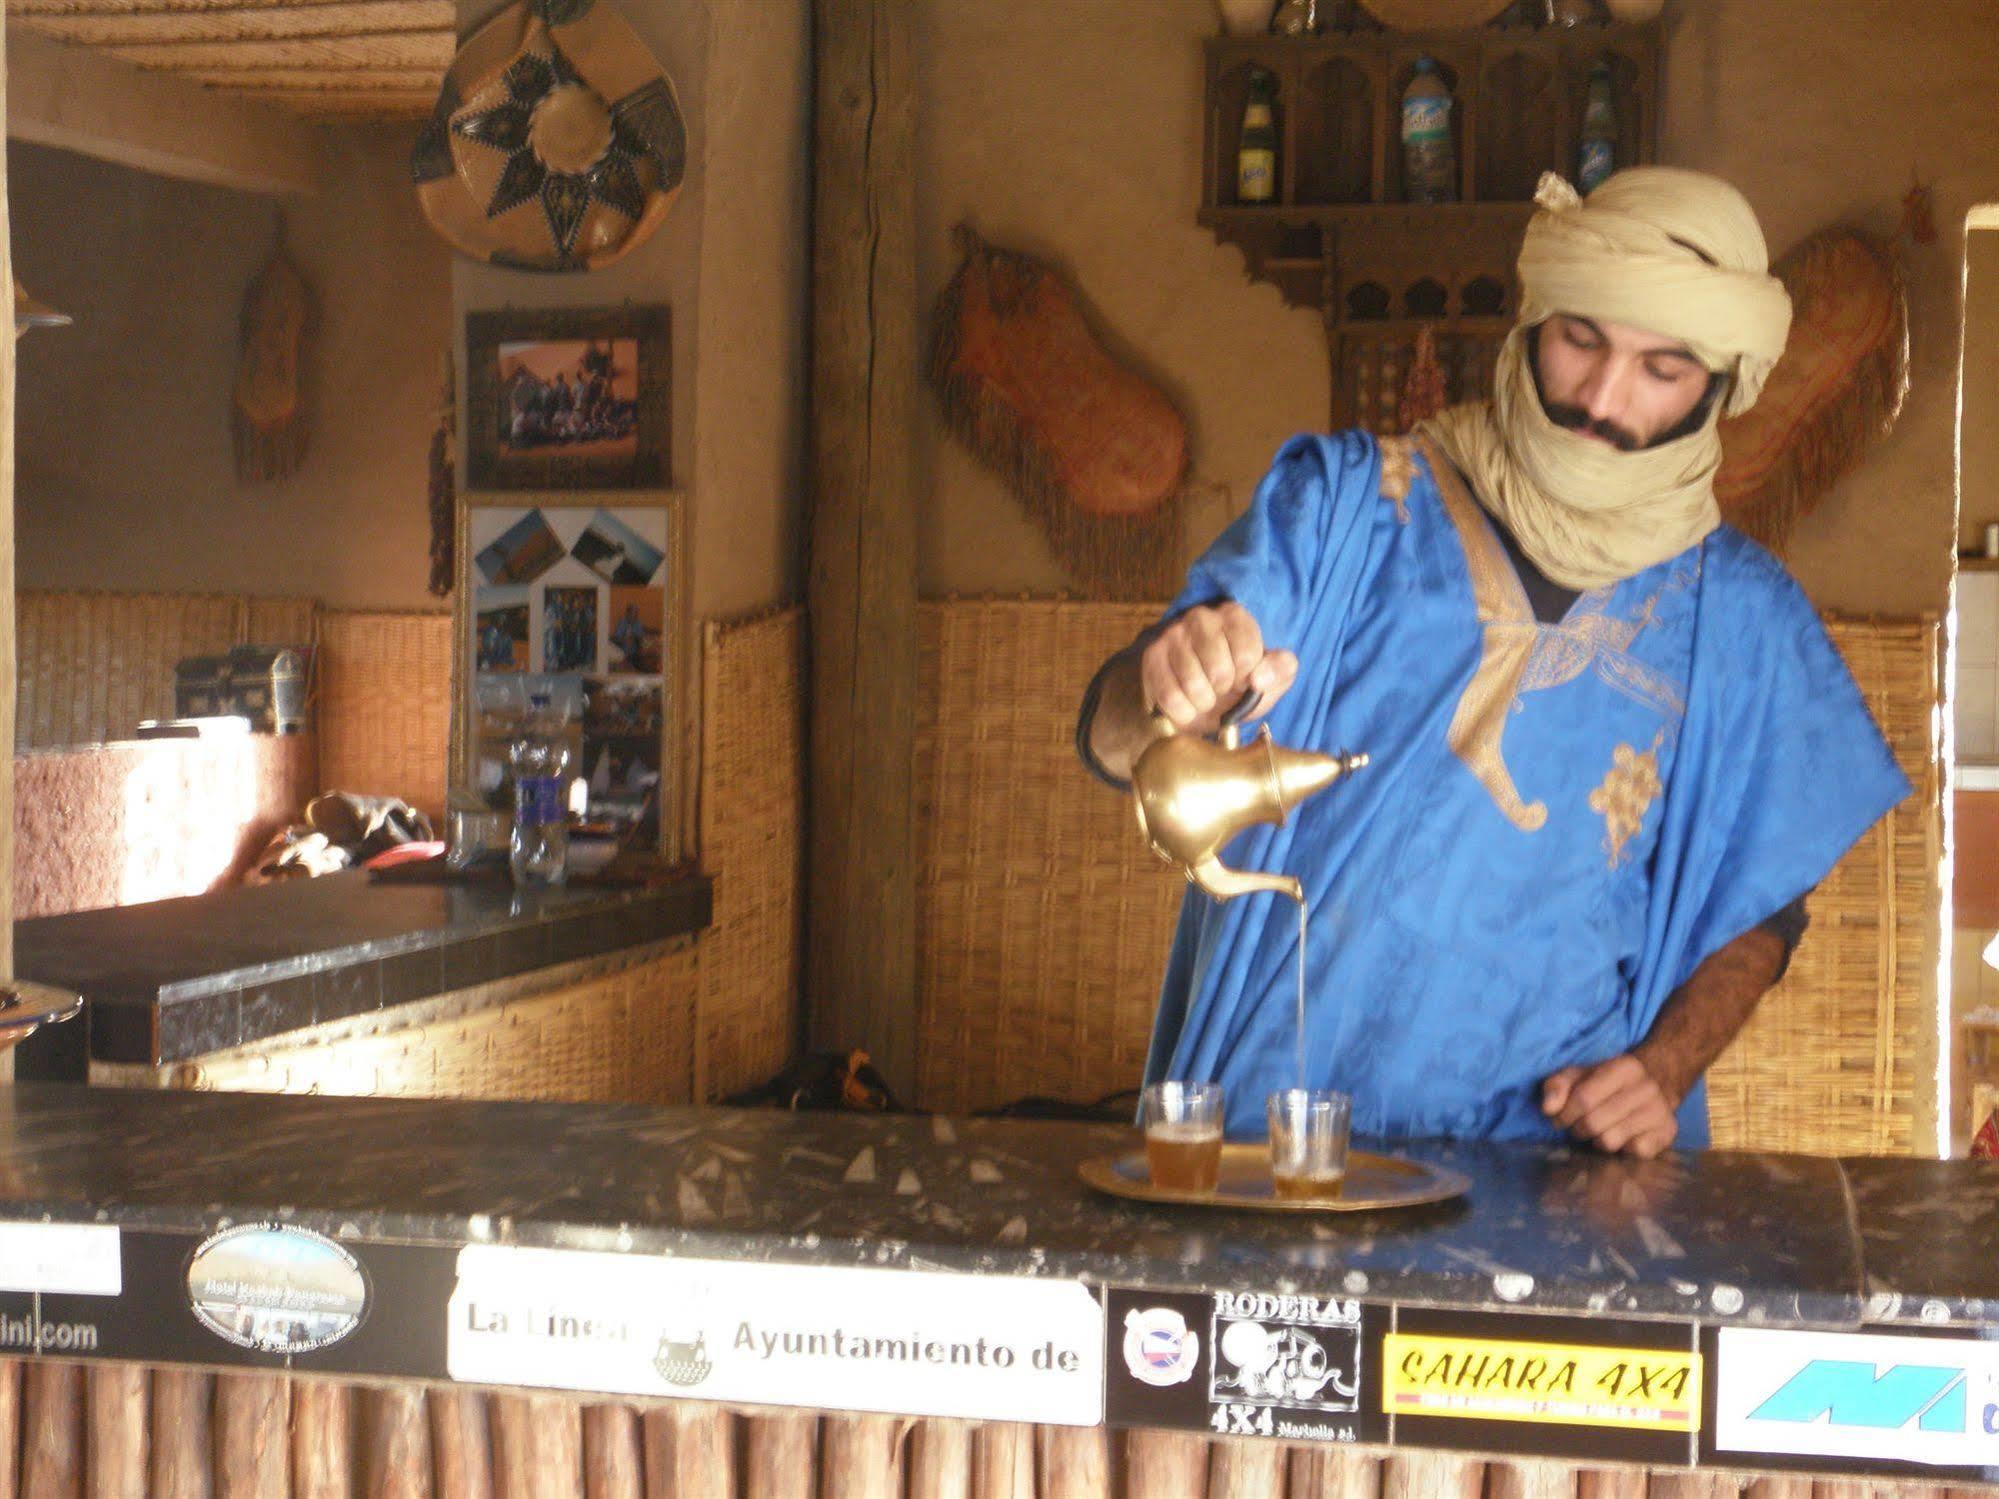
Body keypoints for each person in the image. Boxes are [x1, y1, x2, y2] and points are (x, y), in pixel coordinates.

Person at [1076, 168, 1911, 1158]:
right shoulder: (1348, 505)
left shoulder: (1741, 617)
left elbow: (1766, 905)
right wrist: (1164, 679)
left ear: (1718, 388)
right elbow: (1114, 740)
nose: (1601, 397)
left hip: (1548, 1163)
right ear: (1530, 324)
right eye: (1581, 340)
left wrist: (1665, 1067)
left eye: (1662, 369)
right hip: (1275, 1134)